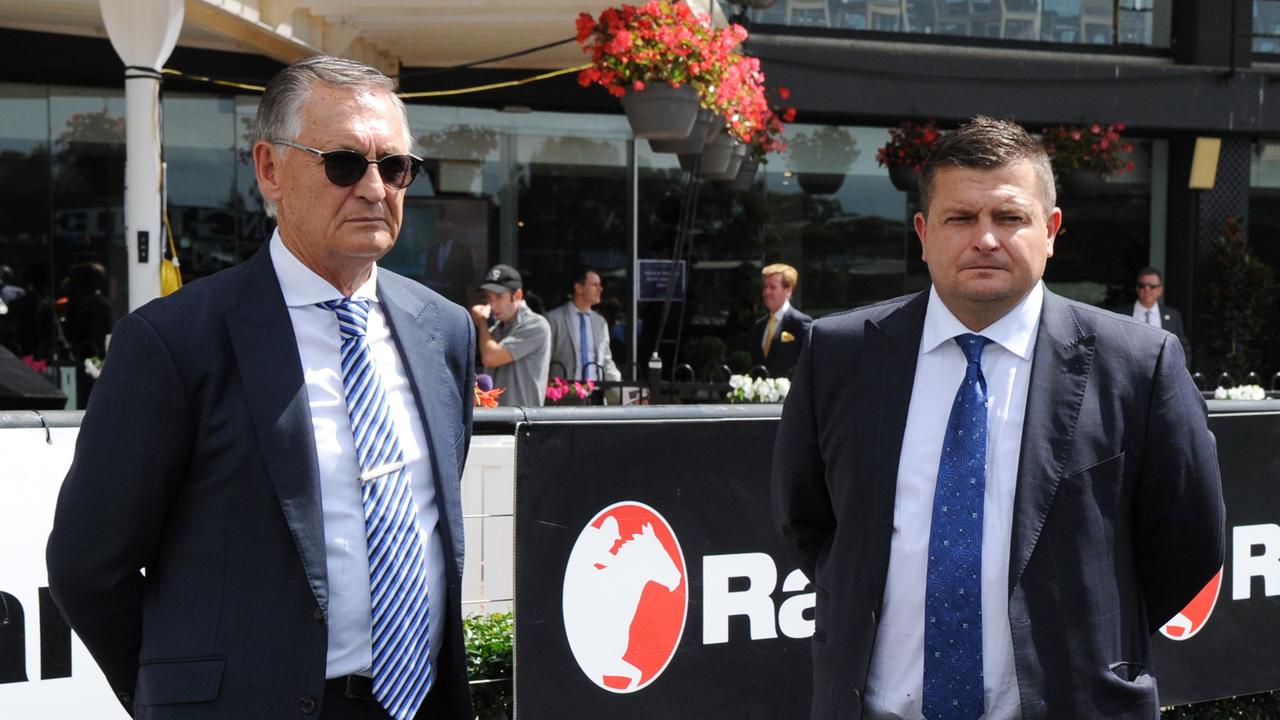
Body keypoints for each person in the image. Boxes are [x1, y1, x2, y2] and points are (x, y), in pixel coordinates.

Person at [46, 56, 476, 720]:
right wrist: (182, 698)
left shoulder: (442, 330)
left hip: (415, 706)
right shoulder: (174, 342)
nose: (373, 188)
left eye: (394, 167)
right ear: (271, 169)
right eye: (343, 163)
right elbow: (86, 564)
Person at [773, 116, 1224, 720]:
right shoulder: (840, 353)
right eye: (961, 218)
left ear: (1051, 230)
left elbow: (1189, 541)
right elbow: (806, 518)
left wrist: (1094, 646)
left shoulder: (1138, 364)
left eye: (1010, 218)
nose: (985, 239)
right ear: (923, 231)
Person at [471, 263, 551, 407]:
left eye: (499, 297)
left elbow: (490, 357)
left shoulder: (536, 324)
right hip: (496, 417)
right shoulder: (496, 328)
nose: (493, 305)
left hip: (524, 421)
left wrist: (482, 322)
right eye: (489, 298)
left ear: (518, 295)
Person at [545, 266, 622, 383]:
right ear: (579, 288)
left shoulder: (600, 322)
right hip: (564, 395)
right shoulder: (554, 319)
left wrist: (619, 385)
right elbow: (544, 359)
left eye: (600, 285)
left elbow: (606, 360)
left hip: (595, 393)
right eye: (595, 285)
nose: (600, 289)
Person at [750, 263, 813, 378]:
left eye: (772, 287)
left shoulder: (800, 322)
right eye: (765, 287)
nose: (766, 292)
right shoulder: (759, 326)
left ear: (788, 291)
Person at [1114, 266, 1190, 360]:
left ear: (1160, 290)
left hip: (1161, 372)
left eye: (1152, 286)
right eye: (1142, 285)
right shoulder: (1120, 314)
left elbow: (1182, 350)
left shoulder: (1173, 316)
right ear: (1137, 288)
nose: (1147, 289)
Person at [422, 218, 474, 308]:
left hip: (457, 298)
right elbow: (428, 272)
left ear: (449, 232)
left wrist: (453, 285)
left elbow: (469, 275)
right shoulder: (432, 250)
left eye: (442, 231)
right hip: (437, 297)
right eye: (438, 231)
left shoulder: (462, 250)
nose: (440, 234)